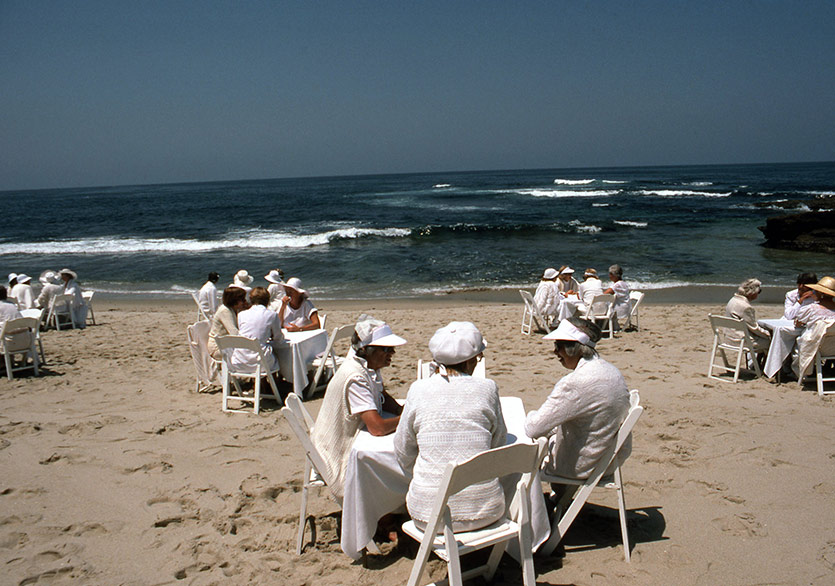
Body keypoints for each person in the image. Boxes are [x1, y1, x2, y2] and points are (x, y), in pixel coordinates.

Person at [394, 322, 507, 532]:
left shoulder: (418, 390)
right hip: (487, 511)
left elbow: (403, 449)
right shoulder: (487, 388)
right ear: (472, 360)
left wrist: (425, 472)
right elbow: (498, 442)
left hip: (428, 516)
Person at [524, 318, 630, 480]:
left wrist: (530, 415)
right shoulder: (612, 371)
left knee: (524, 444)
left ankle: (539, 501)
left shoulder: (575, 382)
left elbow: (533, 429)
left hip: (581, 465)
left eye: (558, 346)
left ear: (573, 349)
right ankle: (560, 499)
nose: (555, 352)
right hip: (608, 460)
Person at [311, 316, 406, 497]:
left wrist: (399, 410)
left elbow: (381, 395)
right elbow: (377, 427)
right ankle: (385, 512)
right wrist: (406, 418)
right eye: (386, 349)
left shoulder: (367, 367)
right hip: (335, 451)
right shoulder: (355, 377)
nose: (392, 352)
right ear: (366, 350)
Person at [231, 287, 285, 373]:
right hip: (259, 363)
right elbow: (278, 339)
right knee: (274, 355)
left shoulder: (241, 314)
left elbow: (248, 333)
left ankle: (263, 385)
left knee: (262, 350)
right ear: (267, 300)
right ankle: (274, 384)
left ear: (251, 299)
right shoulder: (272, 315)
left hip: (239, 361)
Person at [724, 278, 771, 351]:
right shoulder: (746, 307)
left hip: (728, 338)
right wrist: (768, 334)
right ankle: (767, 362)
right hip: (740, 341)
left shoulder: (732, 300)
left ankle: (758, 361)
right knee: (772, 342)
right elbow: (754, 328)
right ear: (753, 292)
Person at [208, 286, 249, 361]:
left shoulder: (233, 310)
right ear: (235, 300)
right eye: (242, 300)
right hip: (218, 347)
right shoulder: (225, 311)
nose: (244, 302)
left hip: (226, 344)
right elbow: (234, 333)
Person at [603, 264, 631, 329]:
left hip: (620, 309)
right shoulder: (623, 283)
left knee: (602, 307)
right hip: (626, 307)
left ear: (614, 275)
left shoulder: (617, 285)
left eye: (610, 274)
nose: (609, 276)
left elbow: (605, 294)